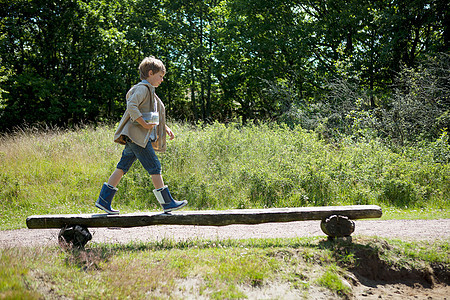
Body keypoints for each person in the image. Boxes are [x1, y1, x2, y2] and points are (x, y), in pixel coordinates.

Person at [95, 56, 187, 214]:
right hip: (138, 137)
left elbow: (151, 114)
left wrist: (164, 127)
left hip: (134, 136)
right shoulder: (142, 89)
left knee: (122, 167)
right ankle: (167, 203)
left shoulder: (149, 91)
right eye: (160, 76)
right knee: (155, 167)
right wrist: (144, 125)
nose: (162, 80)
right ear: (150, 73)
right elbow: (132, 106)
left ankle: (103, 200)